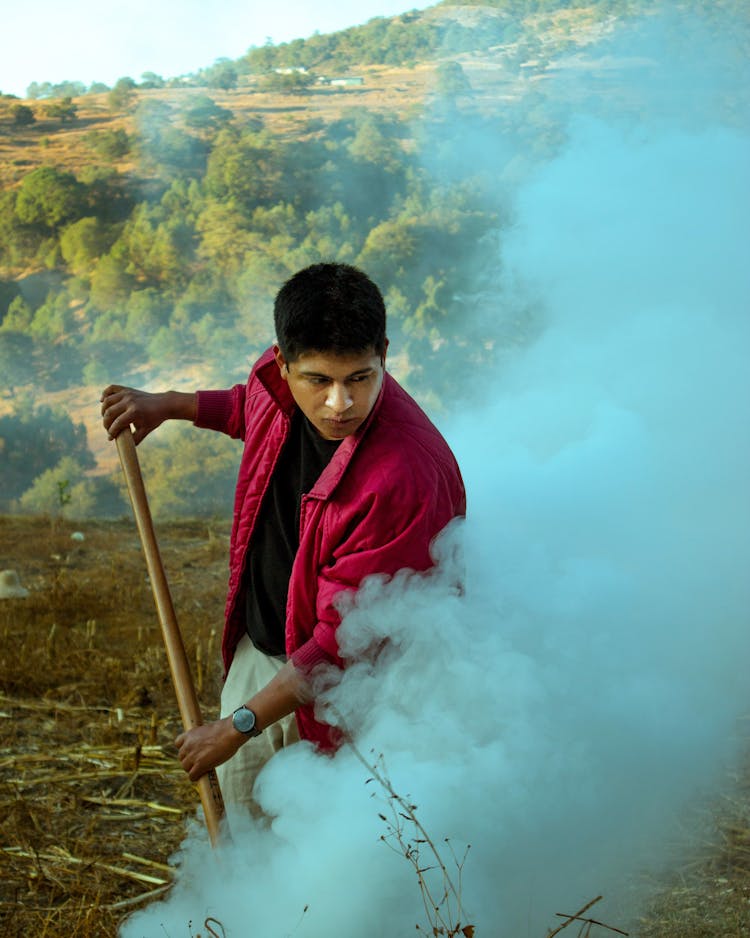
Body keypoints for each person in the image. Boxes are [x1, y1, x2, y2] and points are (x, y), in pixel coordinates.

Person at [101, 262, 465, 809]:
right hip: (265, 648)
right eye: (318, 381)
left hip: (347, 699)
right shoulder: (275, 385)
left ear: (383, 352)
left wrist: (234, 727)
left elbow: (342, 643)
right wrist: (172, 404)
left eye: (359, 378)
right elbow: (255, 409)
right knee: (248, 835)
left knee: (317, 857)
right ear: (283, 363)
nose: (338, 404)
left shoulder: (401, 479)